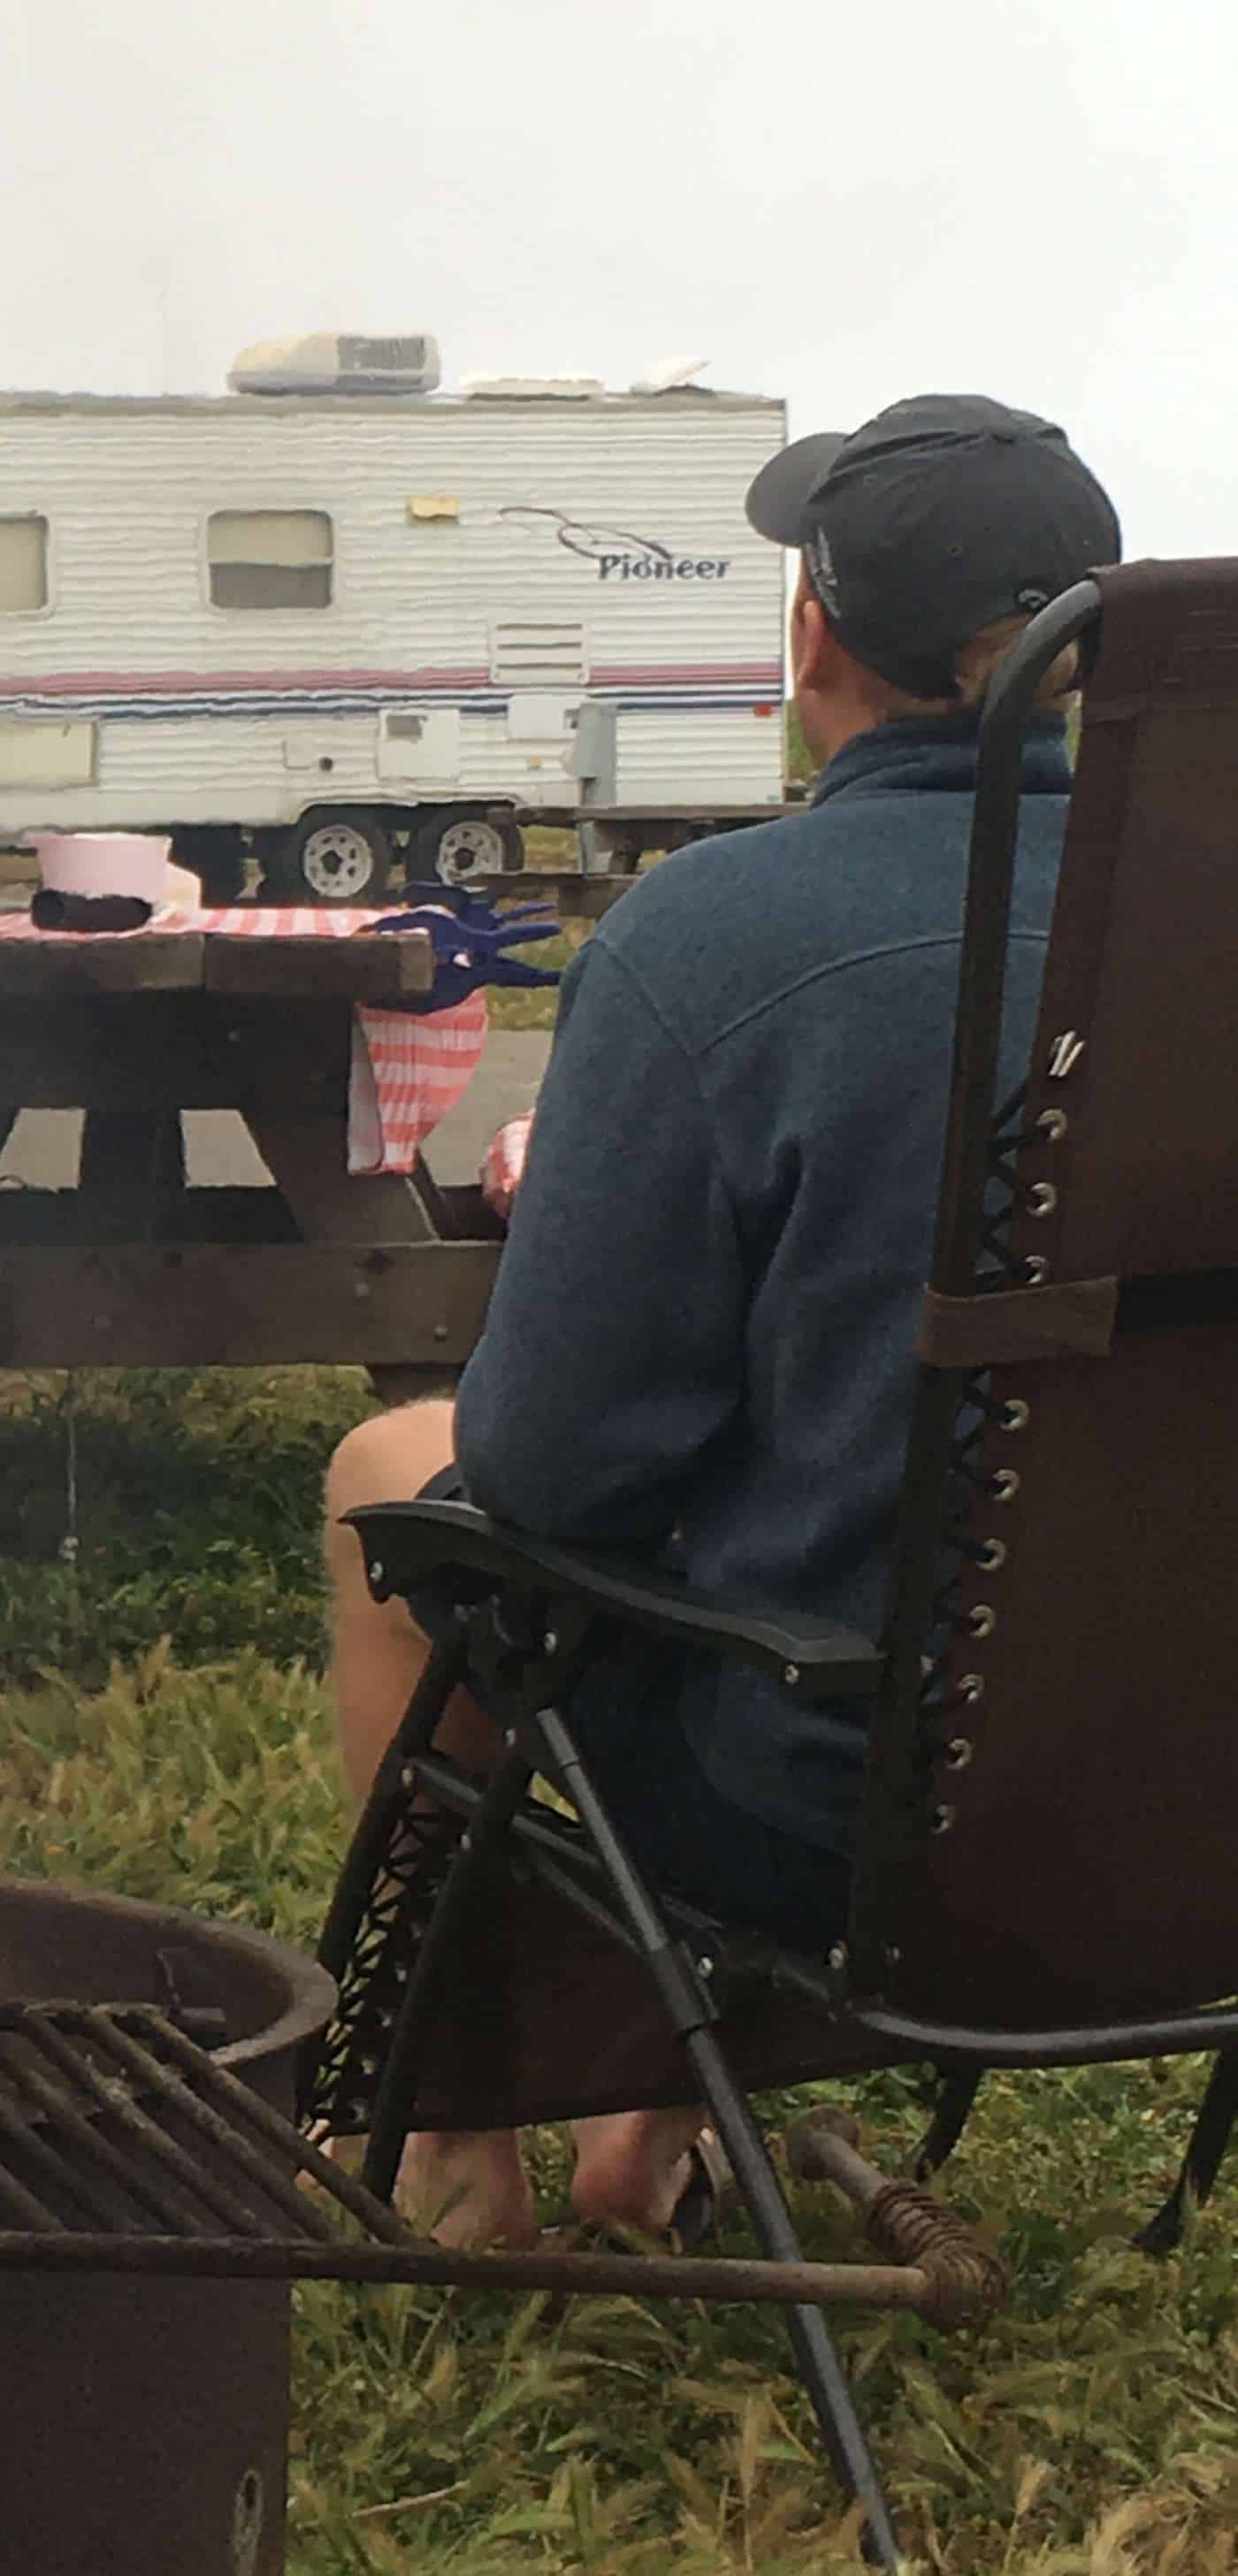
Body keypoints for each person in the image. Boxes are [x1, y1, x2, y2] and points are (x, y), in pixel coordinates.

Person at [319, 395, 1121, 2247]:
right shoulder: (1201, 917)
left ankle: (456, 2145)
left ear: (811, 636)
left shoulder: (720, 937)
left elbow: (552, 1471)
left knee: (397, 1483)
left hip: (847, 1812)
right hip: (1180, 1804)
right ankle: (648, 2143)